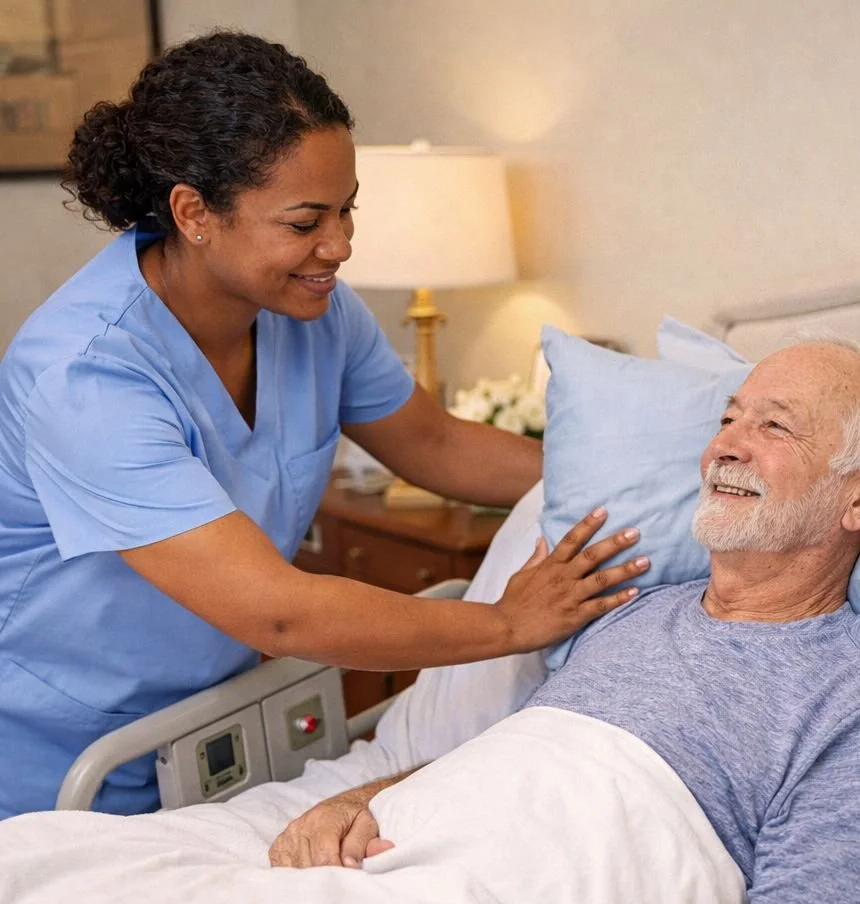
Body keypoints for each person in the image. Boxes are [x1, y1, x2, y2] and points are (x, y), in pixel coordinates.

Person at [0, 32, 648, 820]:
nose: (339, 247)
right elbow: (277, 609)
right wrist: (508, 621)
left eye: (347, 211)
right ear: (194, 212)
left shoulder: (313, 312)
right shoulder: (86, 373)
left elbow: (434, 443)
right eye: (306, 222)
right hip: (54, 748)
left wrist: (638, 478)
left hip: (202, 718)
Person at [269, 338, 860, 904]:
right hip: (371, 876)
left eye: (774, 425)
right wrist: (361, 799)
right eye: (728, 420)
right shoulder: (632, 612)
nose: (726, 449)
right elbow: (523, 762)